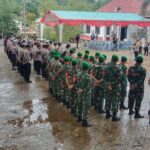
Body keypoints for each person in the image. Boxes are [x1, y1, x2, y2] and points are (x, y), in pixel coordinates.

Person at [104, 54, 122, 121]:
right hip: (115, 87)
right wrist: (112, 85)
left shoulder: (106, 67)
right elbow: (119, 79)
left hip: (107, 86)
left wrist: (108, 85)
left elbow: (104, 77)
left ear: (111, 59)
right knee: (115, 100)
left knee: (107, 99)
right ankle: (114, 116)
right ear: (117, 60)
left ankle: (107, 114)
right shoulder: (118, 68)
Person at [76, 61, 92, 126]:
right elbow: (88, 87)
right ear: (87, 68)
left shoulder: (78, 74)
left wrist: (78, 90)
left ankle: (79, 118)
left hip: (79, 92)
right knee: (86, 106)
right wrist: (82, 90)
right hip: (86, 94)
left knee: (80, 104)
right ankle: (84, 121)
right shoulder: (88, 77)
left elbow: (76, 83)